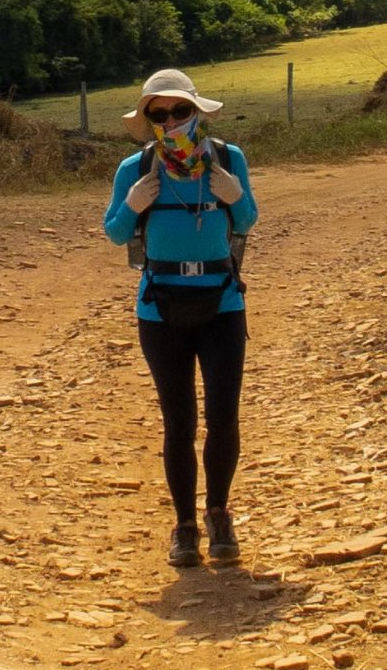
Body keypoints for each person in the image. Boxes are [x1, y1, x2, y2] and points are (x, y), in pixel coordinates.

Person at [102, 67, 257, 569]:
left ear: (196, 111)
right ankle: (185, 526)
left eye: (180, 110)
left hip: (222, 304)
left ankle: (219, 514)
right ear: (149, 119)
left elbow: (248, 220)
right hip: (159, 307)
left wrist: (234, 196)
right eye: (160, 114)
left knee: (223, 417)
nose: (170, 121)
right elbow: (115, 232)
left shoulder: (229, 160)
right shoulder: (136, 169)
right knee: (179, 422)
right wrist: (132, 204)